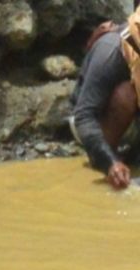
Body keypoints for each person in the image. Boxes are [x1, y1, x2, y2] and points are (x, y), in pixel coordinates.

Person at [71, 5, 140, 189]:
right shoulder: (111, 49)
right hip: (91, 121)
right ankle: (106, 157)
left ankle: (133, 158)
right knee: (126, 94)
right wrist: (110, 163)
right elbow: (84, 117)